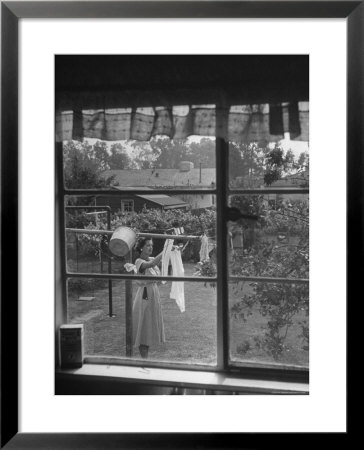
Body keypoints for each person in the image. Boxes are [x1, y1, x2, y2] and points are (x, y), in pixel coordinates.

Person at [132, 238, 165, 359]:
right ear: (141, 247)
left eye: (152, 245)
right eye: (147, 245)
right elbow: (151, 264)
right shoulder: (138, 262)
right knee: (144, 326)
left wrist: (175, 250)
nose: (150, 248)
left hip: (154, 293)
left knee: (149, 326)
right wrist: (165, 250)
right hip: (145, 294)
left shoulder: (152, 258)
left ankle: (146, 359)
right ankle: (144, 360)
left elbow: (159, 261)